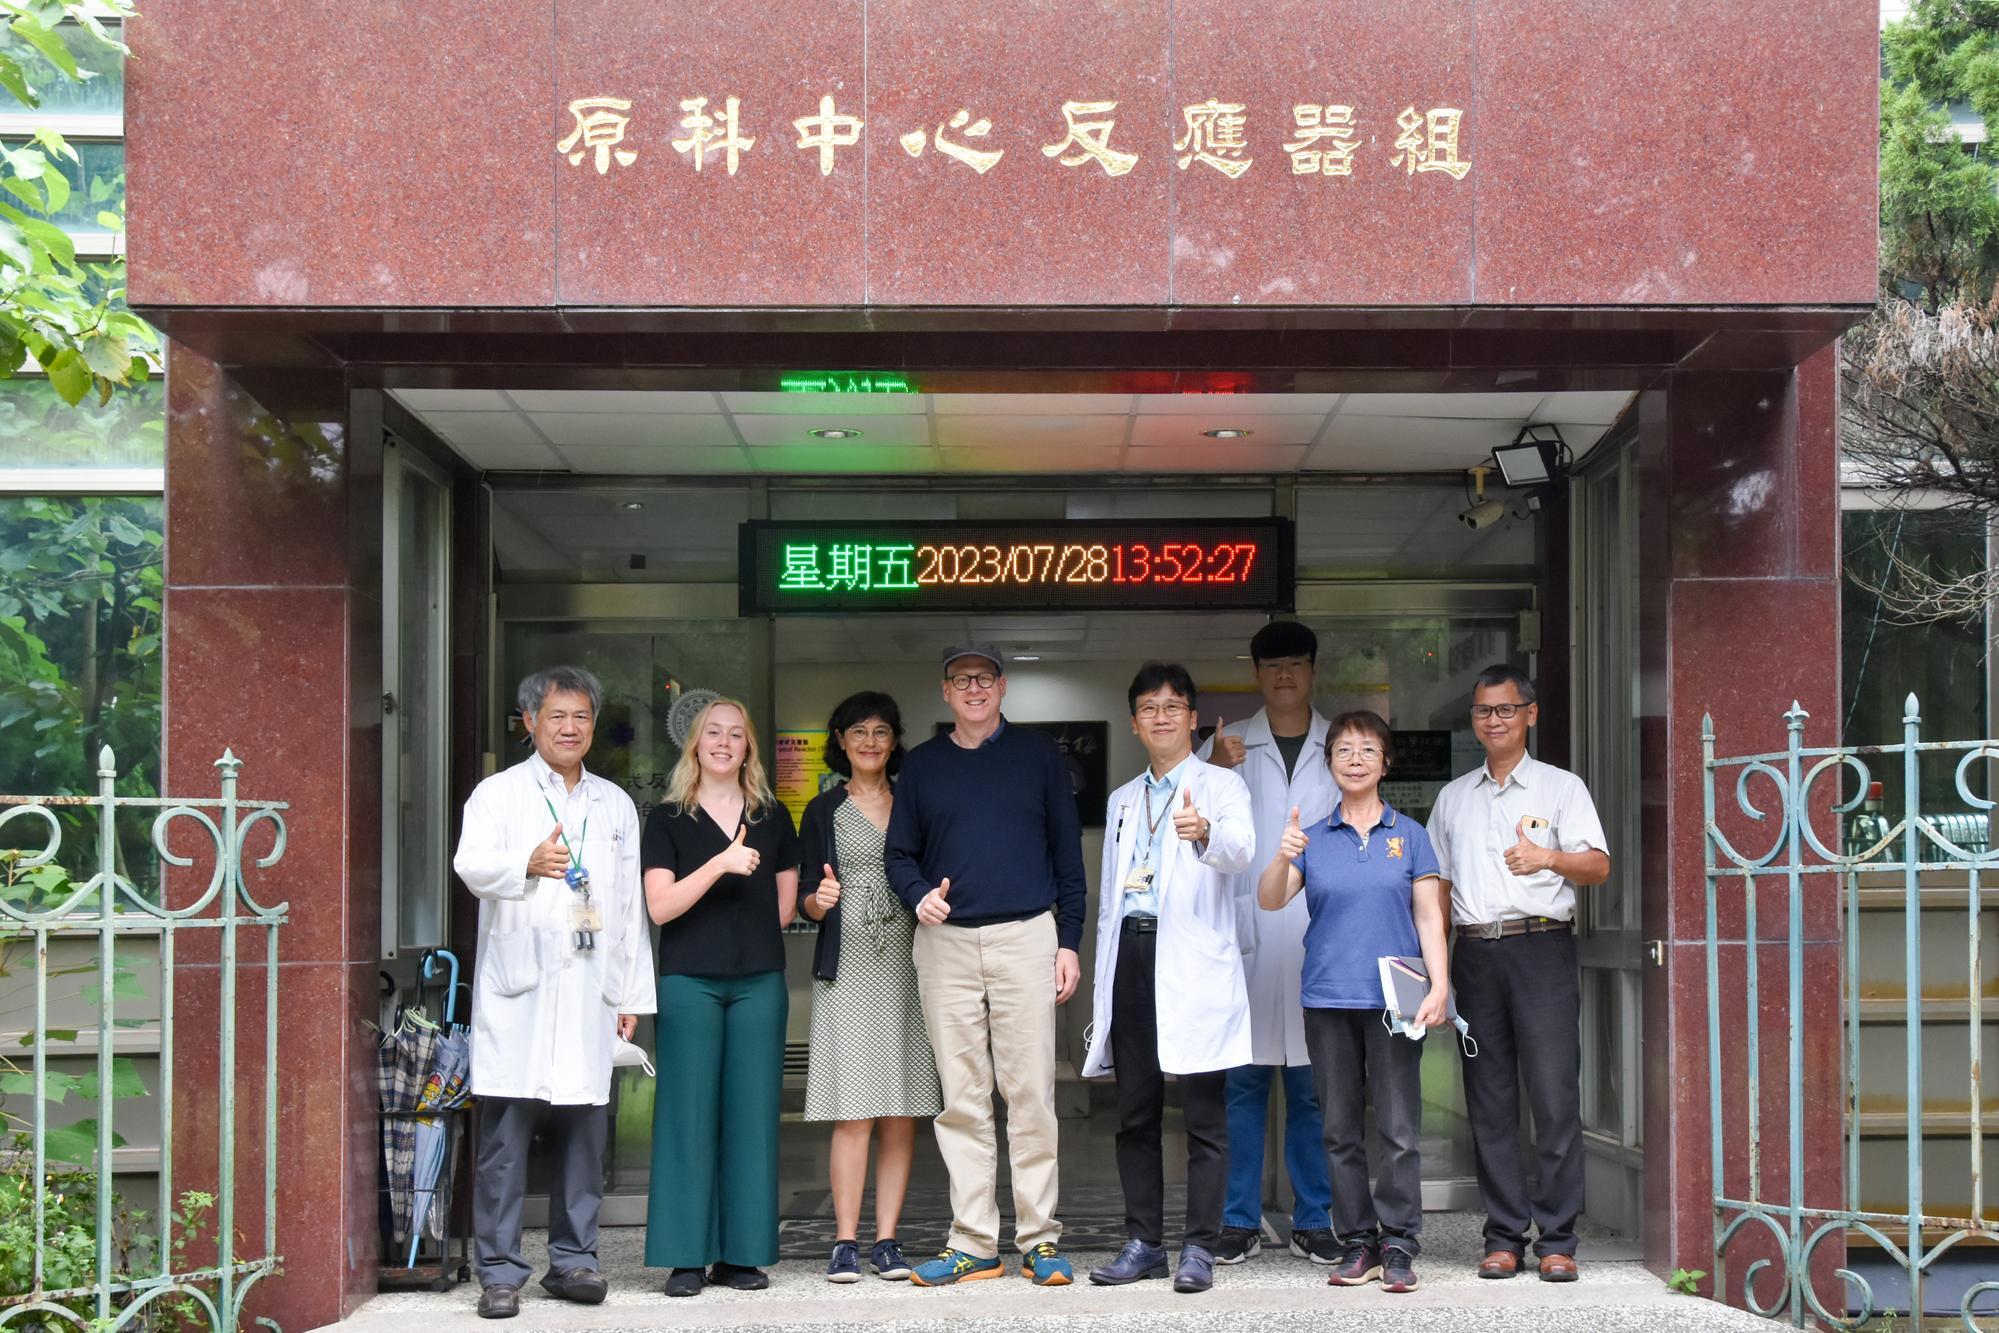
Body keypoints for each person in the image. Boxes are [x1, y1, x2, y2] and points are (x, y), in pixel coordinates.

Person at [452, 666, 656, 1321]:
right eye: (556, 715)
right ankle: (501, 1271)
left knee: (583, 1133)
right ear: (529, 722)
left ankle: (573, 1260)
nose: (570, 727)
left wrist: (629, 994)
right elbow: (470, 865)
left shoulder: (614, 804)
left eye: (581, 717)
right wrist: (525, 866)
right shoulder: (497, 794)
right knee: (504, 1142)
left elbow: (625, 907)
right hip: (518, 990)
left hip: (592, 985)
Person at [884, 642, 1087, 1288]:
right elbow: (898, 856)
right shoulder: (920, 766)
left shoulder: (1039, 758)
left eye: (983, 677)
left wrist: (1067, 941)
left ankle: (1039, 1239)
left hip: (1026, 935)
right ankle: (973, 1241)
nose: (972, 687)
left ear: (1001, 687)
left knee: (1030, 1093)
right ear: (944, 692)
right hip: (945, 946)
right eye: (958, 678)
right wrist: (919, 896)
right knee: (962, 1099)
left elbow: (1068, 859)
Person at [1426, 664, 1610, 1284]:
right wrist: (1436, 973)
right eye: (1483, 711)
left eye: (1506, 710)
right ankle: (1503, 1235)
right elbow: (1437, 889)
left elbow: (1597, 866)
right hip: (1476, 953)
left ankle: (1558, 1239)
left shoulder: (1561, 788)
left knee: (1555, 1096)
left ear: (1531, 714)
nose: (1494, 721)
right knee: (1490, 1101)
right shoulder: (1454, 797)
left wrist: (1548, 857)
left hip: (1541, 949)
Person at [1257, 710, 1450, 1295]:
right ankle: (1357, 1240)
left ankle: (1398, 1241)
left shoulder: (1410, 835)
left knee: (1397, 1126)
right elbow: (1269, 901)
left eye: (1368, 749)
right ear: (1331, 763)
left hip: (1396, 999)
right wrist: (1282, 854)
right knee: (1338, 1127)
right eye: (1344, 749)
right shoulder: (1312, 837)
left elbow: (1428, 917)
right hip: (1327, 996)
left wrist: (1440, 986)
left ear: (1385, 762)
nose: (1356, 758)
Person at [1083, 664, 1256, 1296]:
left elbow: (1243, 851)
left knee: (1205, 1114)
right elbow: (1111, 899)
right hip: (1133, 954)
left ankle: (1200, 1248)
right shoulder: (1123, 799)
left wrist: (1205, 831)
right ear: (1134, 722)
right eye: (1149, 708)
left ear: (1192, 719)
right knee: (1135, 1111)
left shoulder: (1220, 787)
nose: (1161, 716)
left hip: (1192, 958)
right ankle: (1144, 1242)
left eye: (1173, 706)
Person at [639, 698, 800, 1297]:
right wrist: (721, 864)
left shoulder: (773, 816)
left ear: (748, 748)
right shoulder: (667, 819)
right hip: (690, 981)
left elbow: (784, 909)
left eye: (737, 734)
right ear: (695, 744)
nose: (725, 742)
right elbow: (661, 906)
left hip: (759, 980)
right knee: (687, 1114)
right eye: (714, 733)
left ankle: (741, 1255)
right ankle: (686, 1255)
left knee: (752, 1117)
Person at [1198, 620, 1337, 1264]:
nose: (1285, 674)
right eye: (1272, 664)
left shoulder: (1341, 744)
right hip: (1245, 937)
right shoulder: (1225, 746)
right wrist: (1209, 768)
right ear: (1256, 673)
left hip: (1318, 935)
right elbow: (1191, 826)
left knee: (1314, 1088)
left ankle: (1314, 1218)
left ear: (1312, 670)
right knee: (1244, 1085)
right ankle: (1238, 1219)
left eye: (1296, 663)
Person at [798, 691, 941, 1284]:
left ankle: (887, 1240)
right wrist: (818, 901)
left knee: (902, 1111)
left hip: (908, 961)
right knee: (853, 1111)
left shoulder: (915, 798)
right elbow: (806, 895)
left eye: (881, 731)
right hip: (849, 967)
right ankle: (844, 1241)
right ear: (840, 739)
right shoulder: (821, 809)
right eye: (858, 731)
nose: (870, 742)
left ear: (894, 739)